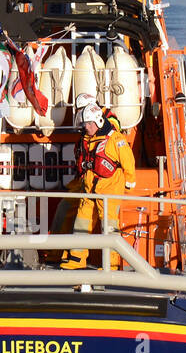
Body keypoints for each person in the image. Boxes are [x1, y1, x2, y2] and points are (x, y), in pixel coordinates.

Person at [52, 103, 136, 270]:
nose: (87, 127)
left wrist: (129, 182)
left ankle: (111, 264)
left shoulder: (115, 139)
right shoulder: (87, 139)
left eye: (89, 124)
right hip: (89, 188)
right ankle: (77, 258)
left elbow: (128, 162)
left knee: (109, 226)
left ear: (98, 121)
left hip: (109, 189)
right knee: (82, 222)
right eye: (85, 124)